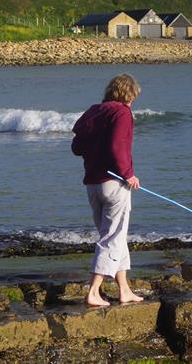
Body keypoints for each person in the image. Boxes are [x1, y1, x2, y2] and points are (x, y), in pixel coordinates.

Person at [71, 73, 145, 307]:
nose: (133, 101)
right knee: (112, 237)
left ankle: (124, 290)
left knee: (116, 237)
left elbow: (76, 147)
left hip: (93, 185)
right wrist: (128, 174)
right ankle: (93, 291)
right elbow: (117, 147)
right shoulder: (122, 112)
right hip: (114, 184)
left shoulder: (95, 111)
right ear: (128, 94)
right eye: (133, 97)